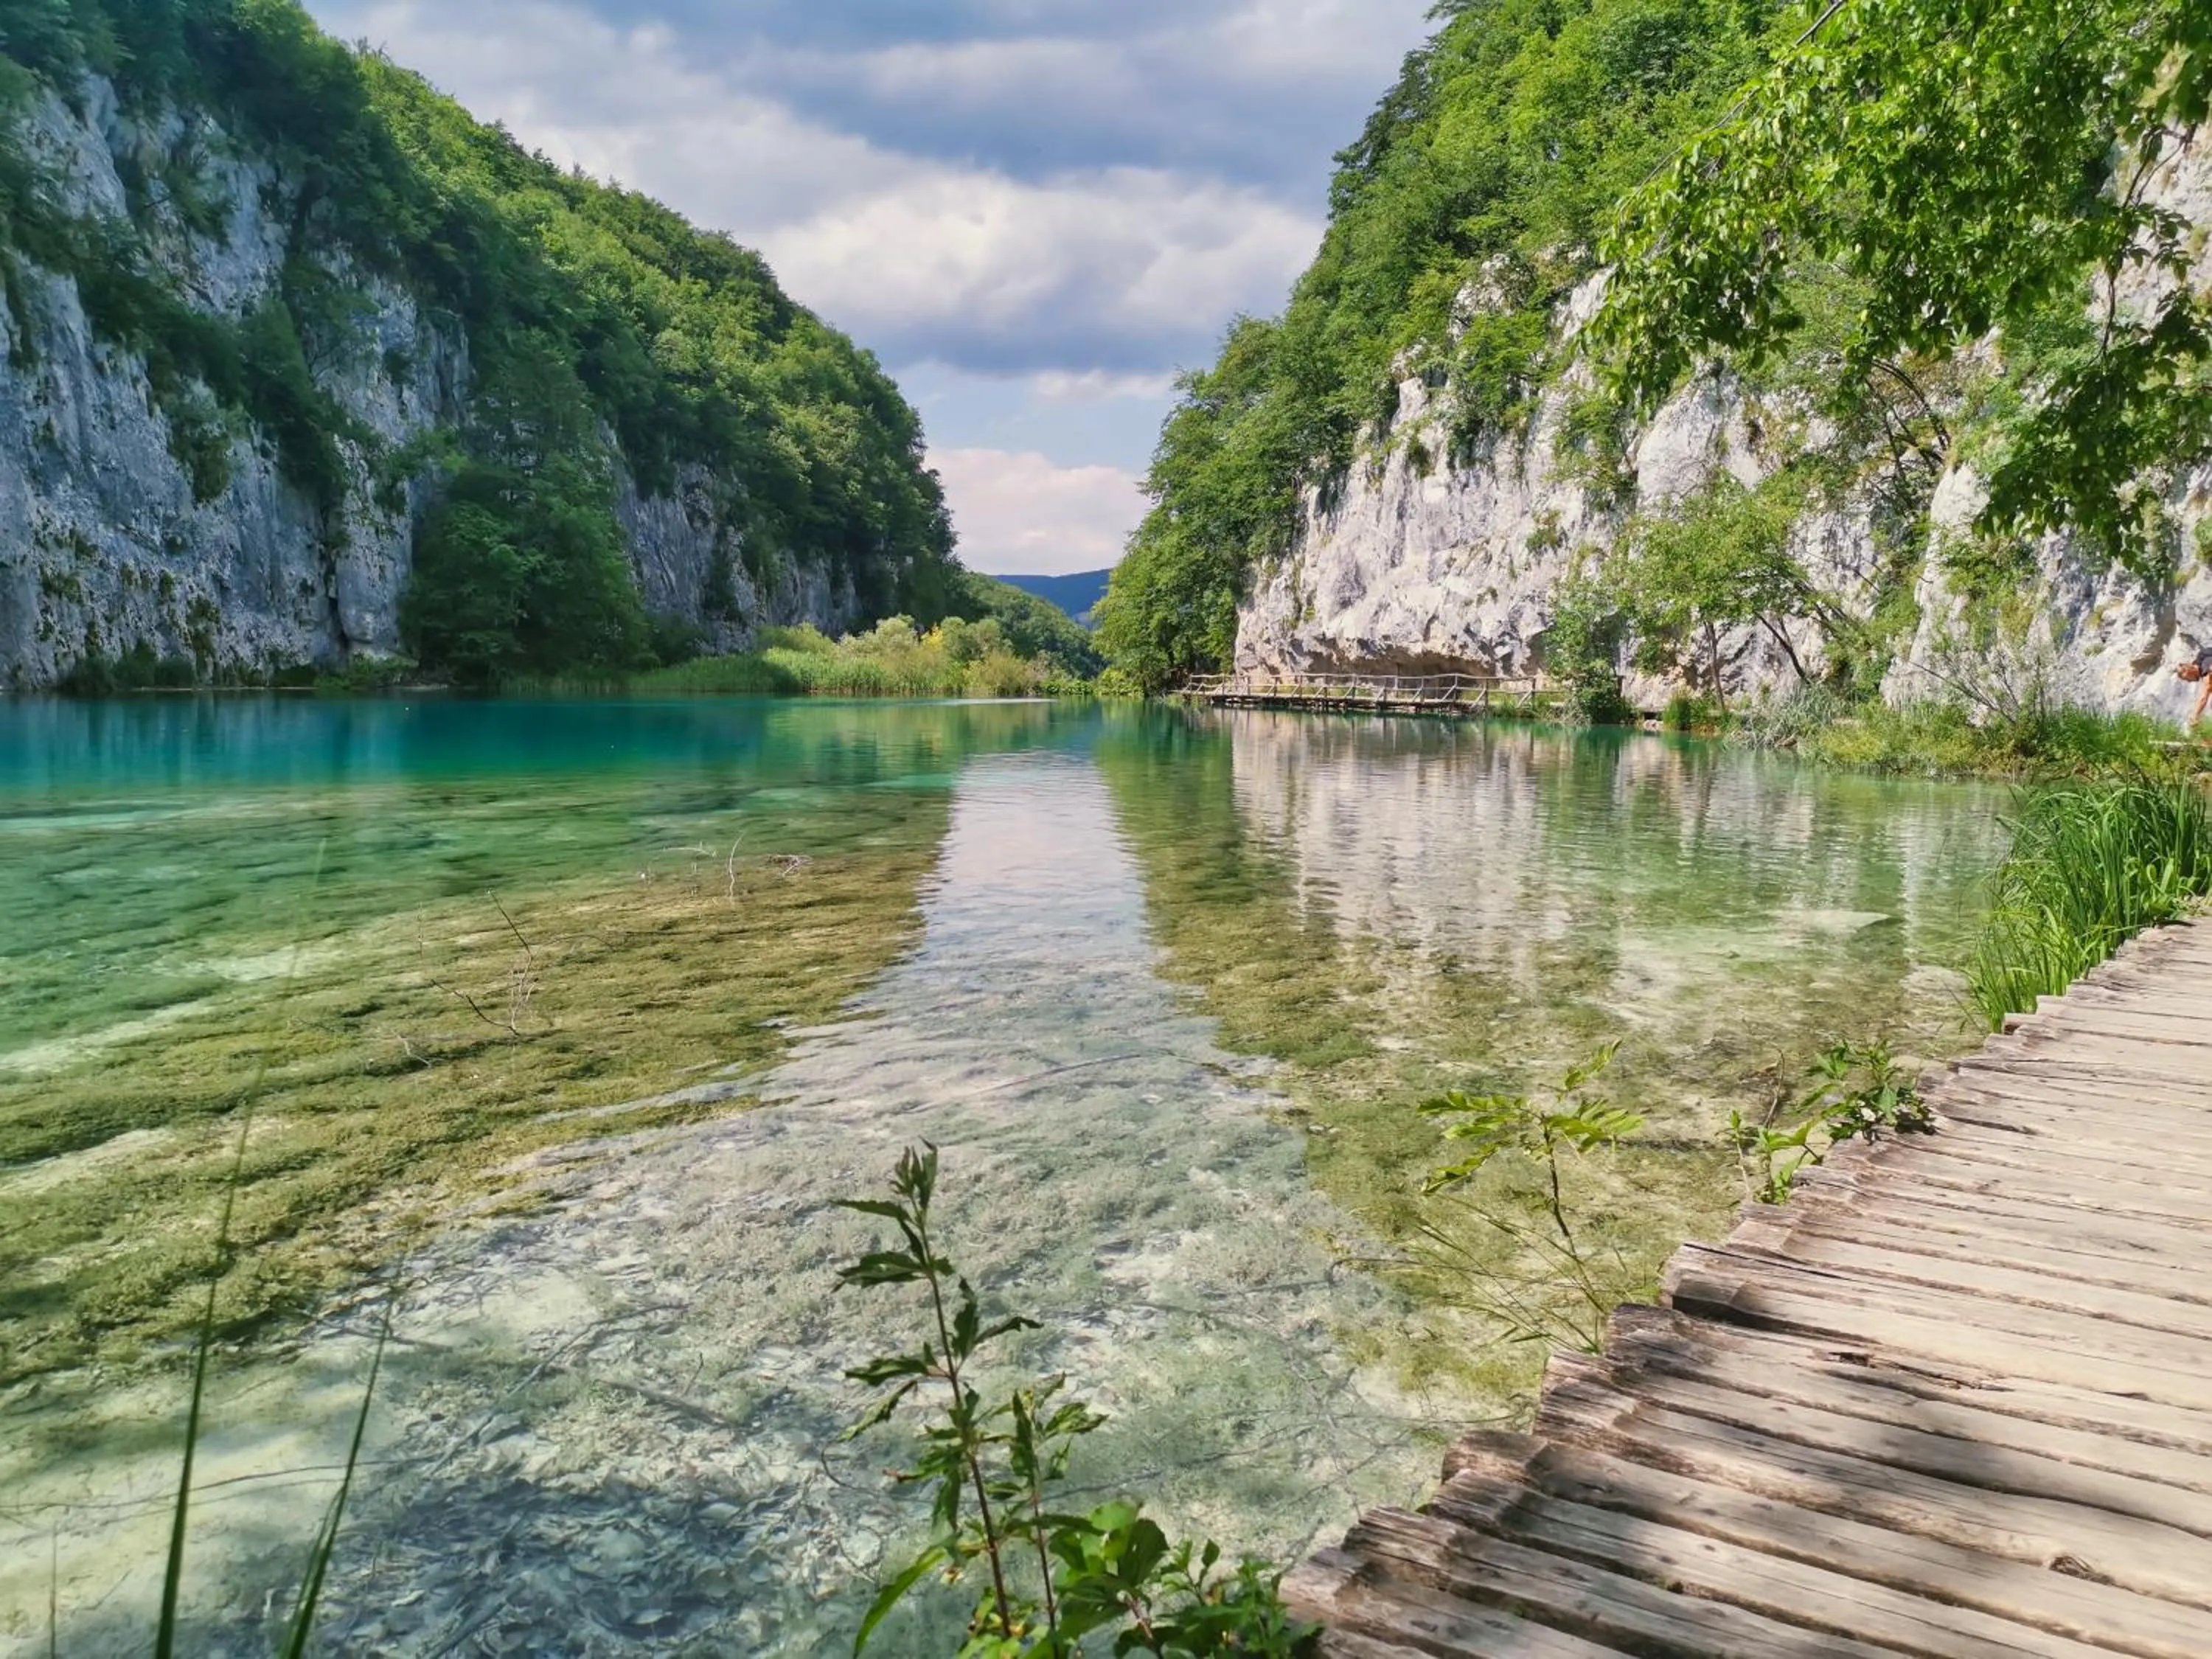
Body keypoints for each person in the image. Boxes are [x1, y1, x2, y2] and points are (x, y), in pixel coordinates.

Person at [2179, 644, 2212, 729]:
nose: (2189, 681)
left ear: (2189, 670)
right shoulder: (2205, 665)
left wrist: (2194, 716)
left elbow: (2204, 697)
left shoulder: (2206, 666)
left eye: (2187, 679)